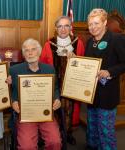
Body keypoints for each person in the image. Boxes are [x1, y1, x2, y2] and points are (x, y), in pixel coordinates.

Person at [39, 16, 85, 144]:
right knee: (54, 109)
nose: (63, 29)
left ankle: (68, 133)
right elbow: (42, 65)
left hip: (72, 84)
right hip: (54, 85)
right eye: (60, 26)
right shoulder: (49, 44)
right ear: (56, 28)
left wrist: (76, 60)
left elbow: (84, 66)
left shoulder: (78, 43)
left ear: (70, 27)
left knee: (71, 109)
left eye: (66, 26)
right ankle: (52, 133)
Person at [9, 38, 62, 150]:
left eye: (33, 49)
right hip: (26, 113)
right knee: (26, 146)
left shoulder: (49, 69)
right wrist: (13, 101)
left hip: (45, 112)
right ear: (23, 54)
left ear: (39, 51)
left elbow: (55, 88)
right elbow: (10, 91)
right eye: (26, 50)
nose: (30, 53)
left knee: (55, 142)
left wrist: (57, 99)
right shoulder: (14, 70)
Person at [85, 8, 125, 150]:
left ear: (105, 23)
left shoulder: (116, 39)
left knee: (105, 131)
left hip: (107, 95)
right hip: (91, 94)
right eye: (90, 24)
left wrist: (109, 71)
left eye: (96, 23)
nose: (93, 27)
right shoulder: (89, 42)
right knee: (93, 128)